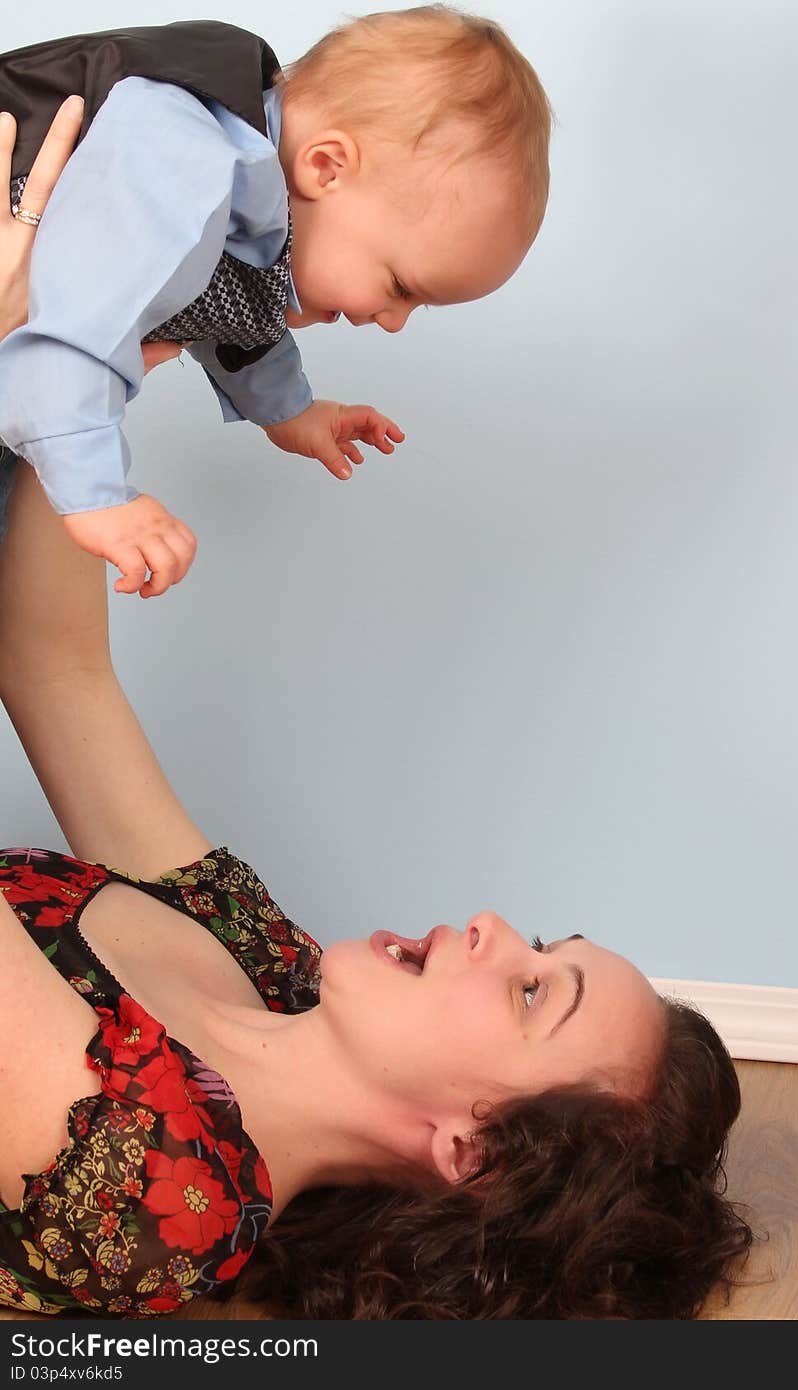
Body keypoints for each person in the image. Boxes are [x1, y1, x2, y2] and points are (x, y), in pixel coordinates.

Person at [0, 116, 753, 1323]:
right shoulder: (272, 969)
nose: (497, 926)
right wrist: (96, 340)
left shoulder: (149, 1180)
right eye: (544, 944)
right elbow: (56, 673)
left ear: (468, 1148)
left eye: (526, 991)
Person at [0, 9, 550, 599]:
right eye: (400, 287)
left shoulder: (252, 200)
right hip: (39, 374)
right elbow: (73, 330)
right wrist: (100, 498)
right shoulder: (181, 160)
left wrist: (292, 412)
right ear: (327, 167)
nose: (392, 323)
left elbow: (236, 306)